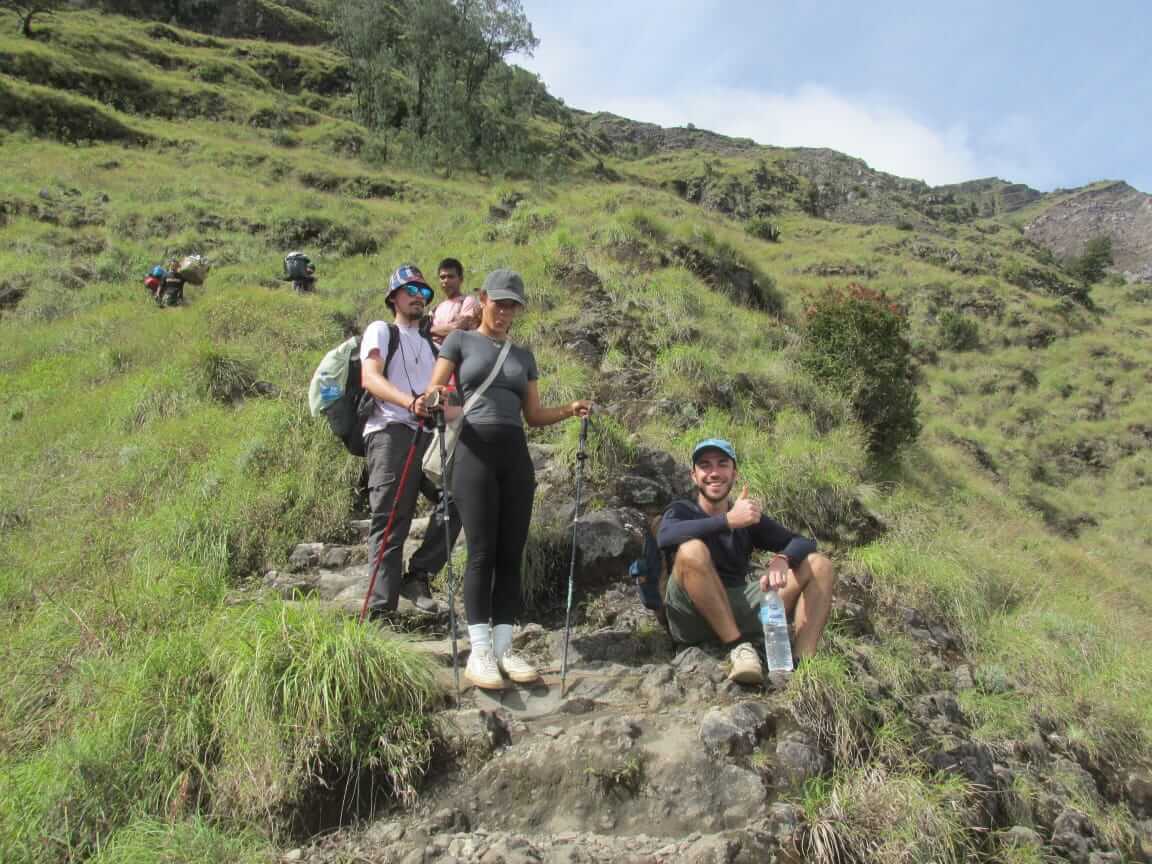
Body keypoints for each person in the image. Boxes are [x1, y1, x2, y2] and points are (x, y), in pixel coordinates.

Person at [426, 269, 592, 690]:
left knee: (510, 553)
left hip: (515, 456)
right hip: (473, 451)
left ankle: (504, 645)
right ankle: (479, 649)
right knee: (481, 551)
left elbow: (533, 417)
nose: (504, 312)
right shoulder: (460, 341)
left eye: (512, 305)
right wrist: (433, 398)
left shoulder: (523, 355)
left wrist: (569, 410)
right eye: (499, 302)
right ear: (482, 298)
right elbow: (435, 388)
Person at [657, 438, 837, 685]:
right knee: (691, 550)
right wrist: (728, 520)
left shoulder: (747, 517)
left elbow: (803, 542)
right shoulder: (681, 510)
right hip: (692, 616)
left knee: (820, 565)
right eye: (705, 465)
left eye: (722, 464)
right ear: (694, 475)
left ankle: (801, 665)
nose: (714, 473)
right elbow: (665, 536)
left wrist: (783, 559)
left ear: (734, 473)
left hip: (742, 607)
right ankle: (738, 648)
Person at [360, 264, 462, 620]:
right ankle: (379, 610)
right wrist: (409, 402)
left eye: (424, 293)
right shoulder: (381, 331)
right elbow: (370, 378)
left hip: (427, 437)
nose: (419, 297)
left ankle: (418, 575)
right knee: (391, 517)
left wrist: (469, 411)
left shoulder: (433, 348)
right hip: (390, 431)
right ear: (393, 297)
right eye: (411, 291)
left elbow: (445, 402)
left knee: (458, 496)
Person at [428, 257, 481, 346]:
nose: (446, 281)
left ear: (461, 279)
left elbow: (458, 328)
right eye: (442, 277)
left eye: (451, 277)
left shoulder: (468, 301)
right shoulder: (436, 308)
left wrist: (430, 330)